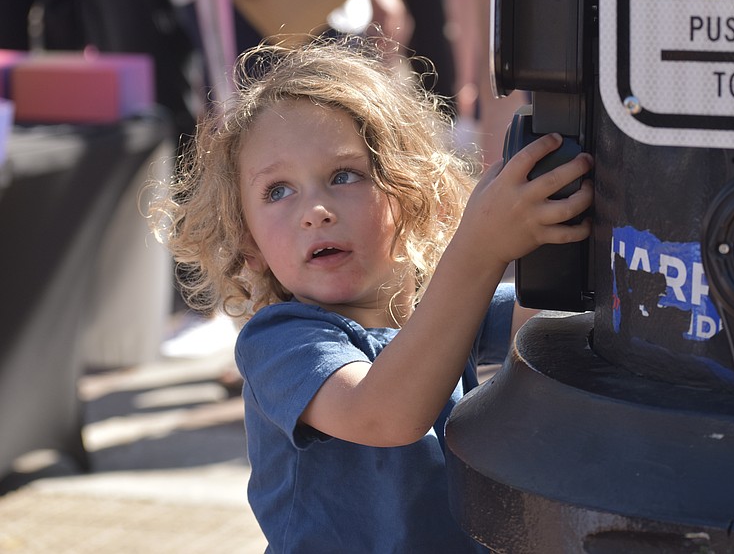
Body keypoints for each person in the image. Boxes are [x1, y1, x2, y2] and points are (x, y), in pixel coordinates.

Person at [148, 35, 593, 553]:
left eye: (344, 176)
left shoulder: (430, 311)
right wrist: (481, 247)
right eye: (278, 191)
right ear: (250, 244)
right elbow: (384, 413)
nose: (315, 209)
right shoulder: (280, 342)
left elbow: (551, 326)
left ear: (410, 196)